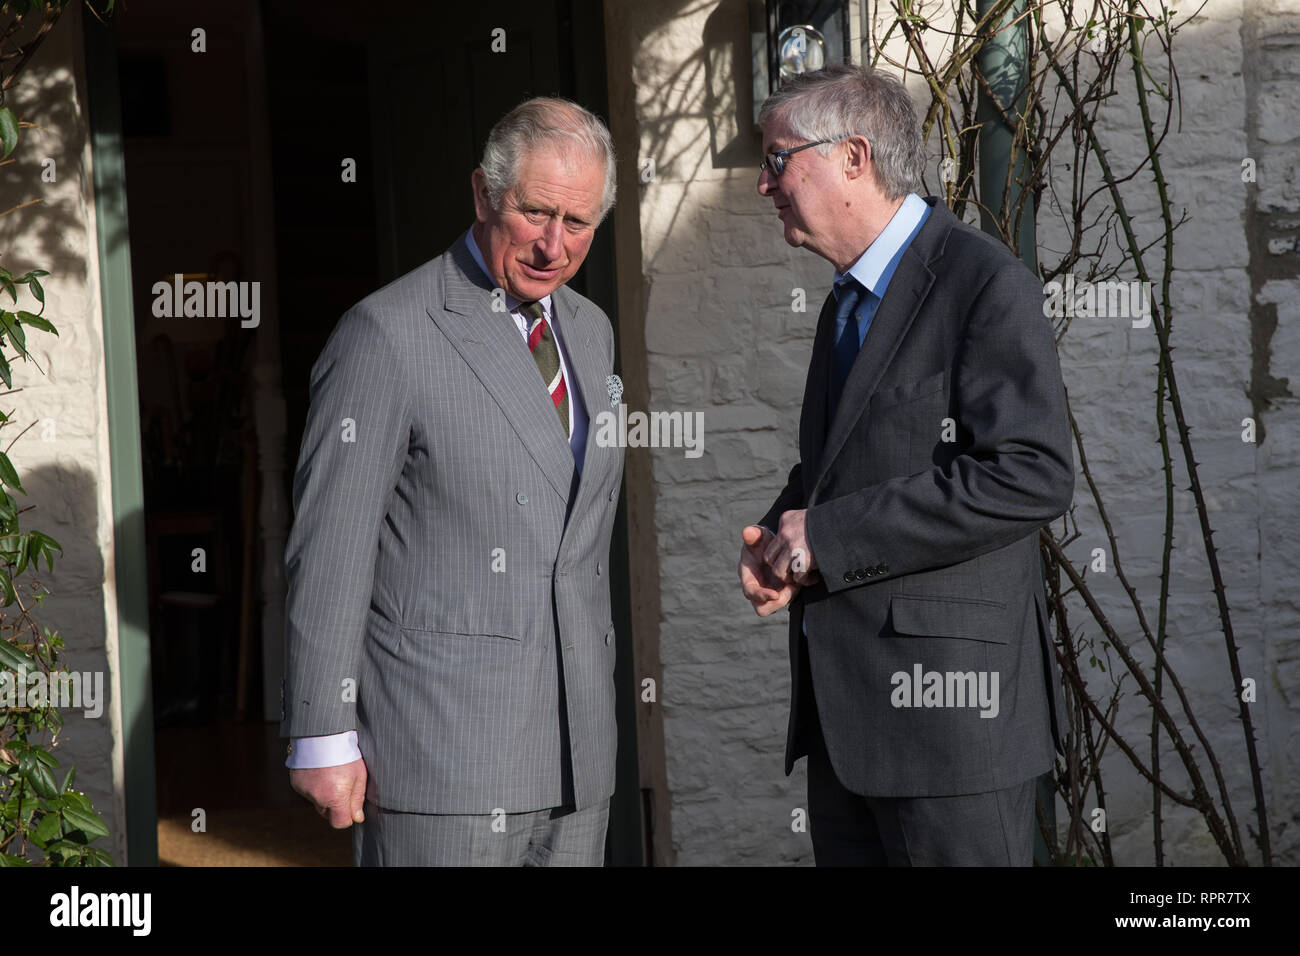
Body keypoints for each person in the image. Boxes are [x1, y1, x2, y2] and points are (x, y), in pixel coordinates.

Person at [738, 64, 1074, 866]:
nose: (763, 184)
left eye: (778, 159)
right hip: (847, 725)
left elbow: (1031, 473)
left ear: (854, 157)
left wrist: (828, 536)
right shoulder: (846, 298)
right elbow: (851, 462)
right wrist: (783, 538)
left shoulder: (982, 282)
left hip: (951, 731)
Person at [280, 97, 624, 866]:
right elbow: (331, 547)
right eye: (535, 212)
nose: (554, 245)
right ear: (482, 194)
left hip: (579, 750)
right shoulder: (385, 334)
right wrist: (321, 733)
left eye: (578, 222)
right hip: (442, 753)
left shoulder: (591, 330)